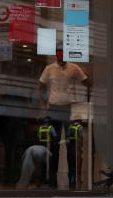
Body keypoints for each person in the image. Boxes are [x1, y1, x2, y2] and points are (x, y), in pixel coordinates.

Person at [36, 51, 89, 190]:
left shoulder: (74, 68)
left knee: (71, 145)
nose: (61, 55)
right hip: (53, 109)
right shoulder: (49, 69)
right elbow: (39, 87)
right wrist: (43, 106)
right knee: (54, 145)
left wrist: (85, 99)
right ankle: (52, 179)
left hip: (69, 109)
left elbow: (86, 82)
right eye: (59, 52)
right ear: (55, 54)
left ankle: (72, 178)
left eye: (63, 52)